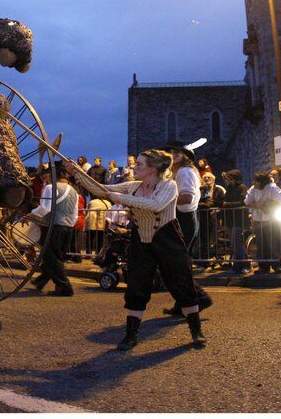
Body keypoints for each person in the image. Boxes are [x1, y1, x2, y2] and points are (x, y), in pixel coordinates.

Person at [72, 151, 208, 350]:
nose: (134, 167)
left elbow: (155, 204)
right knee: (137, 285)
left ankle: (196, 332)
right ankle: (131, 336)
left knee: (181, 282)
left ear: (152, 169)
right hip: (140, 240)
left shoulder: (169, 186)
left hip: (167, 239)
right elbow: (102, 189)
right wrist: (76, 172)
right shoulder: (133, 186)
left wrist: (119, 197)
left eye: (139, 165)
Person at [162, 141, 213, 316]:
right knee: (177, 266)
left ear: (186, 156)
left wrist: (161, 201)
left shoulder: (184, 172)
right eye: (170, 152)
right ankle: (183, 303)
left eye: (177, 152)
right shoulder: (177, 172)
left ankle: (200, 298)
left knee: (177, 266)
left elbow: (187, 198)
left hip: (184, 220)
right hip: (180, 219)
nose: (172, 155)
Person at [29, 164, 77, 296]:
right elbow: (75, 214)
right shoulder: (74, 191)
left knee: (51, 256)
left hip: (54, 227)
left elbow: (45, 208)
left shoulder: (51, 187)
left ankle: (65, 286)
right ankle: (42, 280)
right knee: (56, 256)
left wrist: (30, 215)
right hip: (68, 228)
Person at [244, 171, 281, 274]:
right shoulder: (253, 189)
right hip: (258, 220)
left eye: (257, 181)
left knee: (273, 243)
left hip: (272, 219)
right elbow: (247, 202)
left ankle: (276, 265)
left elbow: (278, 201)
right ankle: (263, 266)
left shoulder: (272, 188)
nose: (255, 183)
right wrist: (261, 206)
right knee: (261, 244)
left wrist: (265, 206)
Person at [221, 170, 248, 274]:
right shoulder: (229, 188)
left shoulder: (242, 187)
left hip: (238, 218)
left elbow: (243, 201)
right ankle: (237, 265)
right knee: (233, 242)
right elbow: (224, 201)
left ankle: (244, 264)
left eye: (228, 179)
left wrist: (228, 205)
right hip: (229, 218)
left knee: (237, 242)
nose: (226, 181)